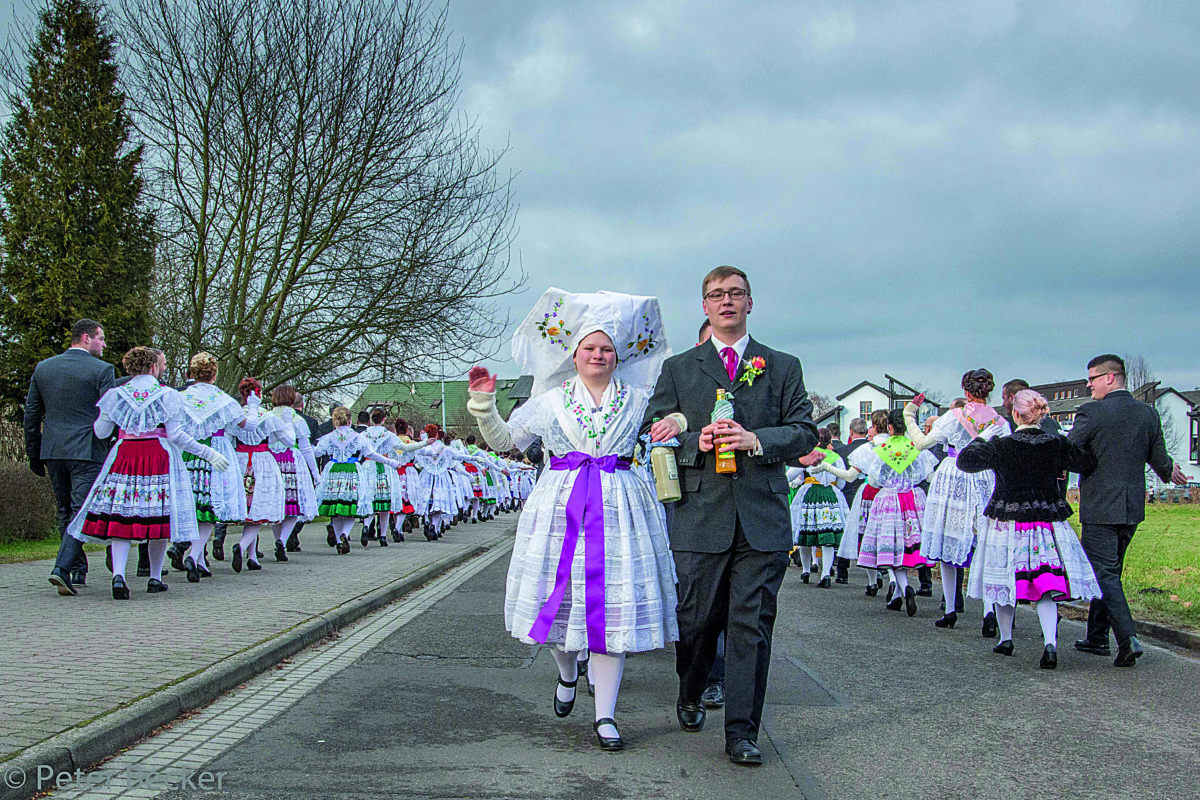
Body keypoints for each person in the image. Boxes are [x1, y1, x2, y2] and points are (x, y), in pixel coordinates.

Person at [469, 287, 679, 753]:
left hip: (620, 507)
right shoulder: (551, 399)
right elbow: (506, 441)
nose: (598, 355)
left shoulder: (640, 398)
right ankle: (567, 674)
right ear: (575, 353)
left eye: (606, 349)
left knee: (612, 611)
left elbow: (677, 418)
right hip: (561, 508)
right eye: (590, 348)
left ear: (618, 356)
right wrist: (484, 406)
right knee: (558, 603)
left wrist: (679, 422)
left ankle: (606, 715)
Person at [645, 265, 817, 766]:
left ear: (749, 302)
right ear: (704, 306)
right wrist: (691, 441)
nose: (727, 301)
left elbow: (804, 432)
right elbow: (654, 430)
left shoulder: (781, 366)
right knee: (697, 621)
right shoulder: (679, 368)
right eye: (717, 295)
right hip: (699, 515)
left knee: (751, 626)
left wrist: (756, 439)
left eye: (736, 293)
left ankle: (742, 732)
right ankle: (691, 687)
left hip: (762, 517)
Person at [66, 346, 231, 597]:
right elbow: (177, 435)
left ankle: (119, 576)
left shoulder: (115, 394)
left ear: (129, 368)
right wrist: (209, 453)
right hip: (158, 455)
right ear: (154, 367)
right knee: (159, 519)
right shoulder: (167, 395)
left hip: (125, 454)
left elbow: (100, 432)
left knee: (121, 515)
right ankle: (154, 578)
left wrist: (115, 418)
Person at [958, 390, 1102, 668]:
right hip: (1045, 520)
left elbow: (965, 461)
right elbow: (1086, 461)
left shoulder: (1002, 445)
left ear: (1015, 413)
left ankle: (1006, 639)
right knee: (1045, 583)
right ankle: (1050, 643)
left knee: (1005, 580)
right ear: (1040, 414)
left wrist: (982, 436)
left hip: (1006, 519)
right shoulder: (1056, 443)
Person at [1068, 354, 1186, 666]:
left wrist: (1079, 464)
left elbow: (1070, 452)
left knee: (1103, 573)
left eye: (1092, 378)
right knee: (1111, 572)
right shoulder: (1147, 413)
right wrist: (1169, 471)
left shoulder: (1091, 412)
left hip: (1100, 507)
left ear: (1109, 377)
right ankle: (1097, 637)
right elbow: (1158, 458)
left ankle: (1127, 639)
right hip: (1132, 506)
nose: (1088, 385)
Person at [903, 369, 1011, 630]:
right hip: (986, 475)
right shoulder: (1000, 421)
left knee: (948, 540)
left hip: (955, 474)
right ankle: (989, 611)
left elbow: (921, 443)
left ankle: (950, 609)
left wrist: (909, 415)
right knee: (986, 543)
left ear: (965, 390)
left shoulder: (955, 416)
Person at [817, 408, 938, 617]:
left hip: (889, 500)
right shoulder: (916, 447)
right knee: (906, 548)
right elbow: (930, 478)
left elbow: (861, 478)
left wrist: (827, 468)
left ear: (890, 427)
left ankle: (904, 587)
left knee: (891, 549)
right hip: (912, 499)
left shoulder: (877, 449)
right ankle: (897, 594)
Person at [26, 319, 116, 595]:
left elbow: (32, 414)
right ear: (86, 338)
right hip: (87, 449)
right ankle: (62, 568)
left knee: (65, 510)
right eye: (101, 338)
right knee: (81, 510)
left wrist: (34, 454)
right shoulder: (103, 370)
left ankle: (77, 568)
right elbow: (109, 413)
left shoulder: (44, 368)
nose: (104, 345)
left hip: (53, 449)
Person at [173, 353, 246, 581]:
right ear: (214, 374)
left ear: (192, 373)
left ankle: (197, 559)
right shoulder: (223, 399)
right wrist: (253, 406)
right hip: (216, 451)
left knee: (193, 505)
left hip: (189, 451)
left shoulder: (180, 397)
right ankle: (194, 555)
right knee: (209, 510)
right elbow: (244, 424)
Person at [313, 406, 405, 554]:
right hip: (352, 471)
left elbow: (316, 452)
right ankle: (344, 534)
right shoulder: (357, 437)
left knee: (335, 509)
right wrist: (391, 462)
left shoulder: (329, 437)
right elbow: (372, 454)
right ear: (350, 420)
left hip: (334, 471)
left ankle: (339, 542)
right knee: (351, 507)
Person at [230, 378, 292, 572]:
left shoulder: (235, 415)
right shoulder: (268, 416)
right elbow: (289, 441)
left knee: (249, 510)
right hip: (262, 462)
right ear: (258, 394)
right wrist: (287, 424)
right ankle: (241, 547)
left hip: (239, 461)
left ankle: (253, 557)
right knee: (258, 510)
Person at [788, 428, 849, 588]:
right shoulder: (836, 457)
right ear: (829, 441)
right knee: (826, 537)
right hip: (830, 496)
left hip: (809, 495)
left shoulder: (809, 455)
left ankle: (806, 571)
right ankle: (825, 574)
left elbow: (790, 475)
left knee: (806, 534)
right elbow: (842, 482)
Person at [269, 385, 321, 561]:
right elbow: (306, 448)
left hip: (271, 460)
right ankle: (282, 542)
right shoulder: (296, 419)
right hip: (292, 461)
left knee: (275, 505)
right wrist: (315, 473)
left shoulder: (267, 416)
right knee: (293, 506)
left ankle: (278, 540)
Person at [1001, 379, 1067, 499]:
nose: (1002, 404)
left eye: (1004, 398)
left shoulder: (1005, 425)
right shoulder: (1053, 424)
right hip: (1052, 496)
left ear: (1012, 398)